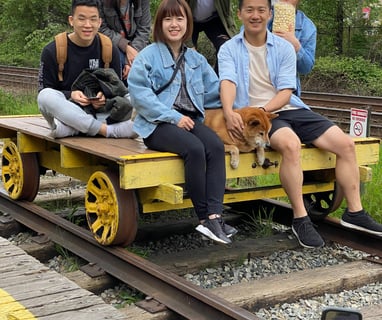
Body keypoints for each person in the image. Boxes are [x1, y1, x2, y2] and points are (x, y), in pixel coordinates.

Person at [218, 0, 382, 248]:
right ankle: (300, 217)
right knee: (291, 146)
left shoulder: (283, 47)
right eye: (249, 10)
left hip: (286, 108)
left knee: (346, 144)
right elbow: (228, 82)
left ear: (269, 14)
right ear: (239, 14)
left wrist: (265, 110)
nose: (255, 15)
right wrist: (230, 112)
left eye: (261, 10)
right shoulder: (229, 49)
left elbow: (286, 90)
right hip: (254, 117)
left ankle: (354, 213)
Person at [127, 0, 237, 244]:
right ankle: (203, 219)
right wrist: (173, 117)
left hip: (188, 121)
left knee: (216, 146)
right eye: (168, 19)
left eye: (180, 19)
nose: (174, 24)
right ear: (160, 24)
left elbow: (214, 92)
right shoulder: (148, 56)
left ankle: (216, 215)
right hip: (157, 125)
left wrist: (236, 104)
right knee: (195, 148)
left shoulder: (196, 59)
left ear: (188, 23)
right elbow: (140, 95)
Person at [38, 0, 137, 139]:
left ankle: (73, 130)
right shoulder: (52, 50)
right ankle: (105, 131)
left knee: (136, 100)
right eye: (82, 19)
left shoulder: (109, 48)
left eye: (93, 19)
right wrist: (71, 95)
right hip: (69, 112)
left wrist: (104, 96)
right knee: (45, 96)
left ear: (99, 22)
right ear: (71, 21)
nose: (88, 25)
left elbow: (117, 89)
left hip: (100, 113)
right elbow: (46, 90)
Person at [268, 0, 316, 97]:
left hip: (287, 93)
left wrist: (296, 47)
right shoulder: (258, 16)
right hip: (255, 87)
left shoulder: (308, 27)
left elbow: (306, 68)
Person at [99, 0, 151, 81]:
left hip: (137, 45)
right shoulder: (101, 2)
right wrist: (126, 47)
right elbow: (101, 28)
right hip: (113, 43)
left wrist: (131, 59)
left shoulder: (142, 2)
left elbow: (144, 29)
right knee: (120, 64)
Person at [185, 0, 237, 74]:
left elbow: (226, 13)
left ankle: (218, 81)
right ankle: (189, 81)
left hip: (213, 19)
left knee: (226, 46)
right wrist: (189, 44)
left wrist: (232, 34)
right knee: (186, 52)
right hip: (188, 21)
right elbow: (178, 13)